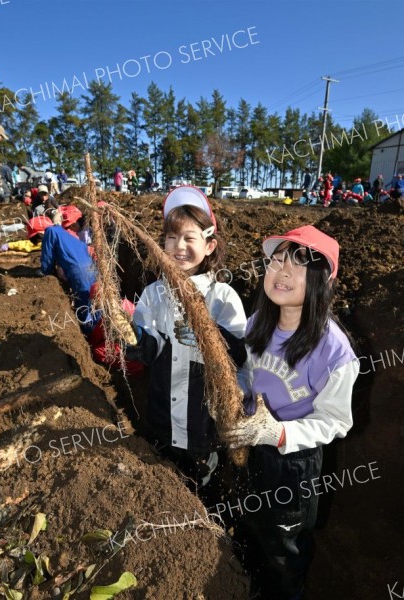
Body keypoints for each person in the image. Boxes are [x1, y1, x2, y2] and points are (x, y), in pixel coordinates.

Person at [224, 225, 358, 600]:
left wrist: (279, 433)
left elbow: (336, 421)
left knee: (284, 550)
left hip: (293, 466)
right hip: (250, 449)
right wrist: (236, 392)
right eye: (276, 261)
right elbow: (245, 373)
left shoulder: (334, 352)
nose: (281, 272)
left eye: (296, 265)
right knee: (249, 528)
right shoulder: (258, 325)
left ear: (321, 281)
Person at [126, 186, 247, 489]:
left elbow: (240, 358)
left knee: (200, 489)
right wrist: (131, 335)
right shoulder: (155, 294)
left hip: (203, 428)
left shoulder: (223, 298)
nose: (178, 246)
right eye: (170, 236)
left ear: (209, 245)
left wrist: (206, 335)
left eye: (189, 237)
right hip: (162, 420)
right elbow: (147, 351)